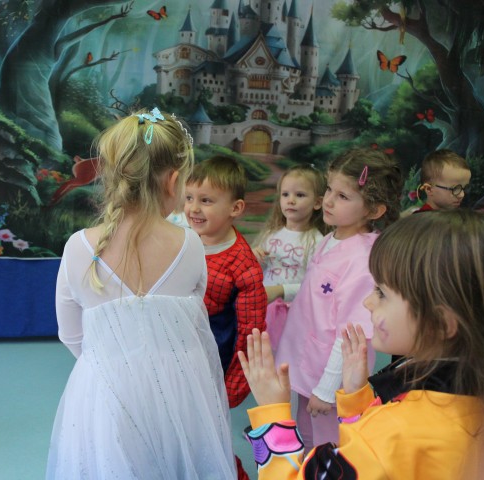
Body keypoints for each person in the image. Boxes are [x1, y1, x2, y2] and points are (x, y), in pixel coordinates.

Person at [47, 109, 237, 479]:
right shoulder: (190, 245)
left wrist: (115, 365)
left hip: (106, 395)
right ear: (175, 180)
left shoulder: (78, 247)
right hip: (179, 394)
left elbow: (70, 335)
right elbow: (192, 321)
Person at [238, 210, 484, 479]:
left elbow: (377, 449)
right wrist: (357, 401)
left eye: (382, 293)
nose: (368, 302)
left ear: (440, 323)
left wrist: (272, 414)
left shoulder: (392, 431)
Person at [273, 148, 403, 450]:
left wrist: (327, 389)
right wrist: (282, 291)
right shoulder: (332, 238)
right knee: (306, 435)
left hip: (330, 377)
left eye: (343, 196)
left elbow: (352, 333)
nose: (328, 200)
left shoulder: (363, 260)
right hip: (310, 364)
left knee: (328, 445)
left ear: (374, 211)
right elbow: (318, 291)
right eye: (329, 189)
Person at [184, 155, 267, 405]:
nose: (193, 208)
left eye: (206, 200)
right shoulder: (182, 241)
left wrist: (233, 387)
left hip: (213, 356)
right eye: (189, 198)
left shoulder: (243, 264)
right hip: (177, 348)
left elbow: (250, 329)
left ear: (235, 208)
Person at [252, 164, 327, 351]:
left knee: (285, 355)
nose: (290, 201)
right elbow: (257, 272)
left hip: (294, 314)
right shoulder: (271, 234)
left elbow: (313, 286)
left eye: (299, 195)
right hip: (264, 309)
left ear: (317, 203)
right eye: (285, 194)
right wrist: (253, 258)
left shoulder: (317, 241)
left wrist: (281, 290)